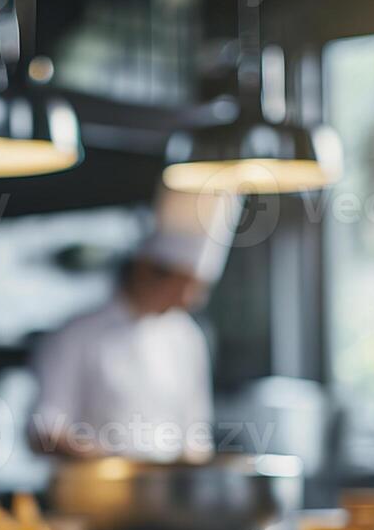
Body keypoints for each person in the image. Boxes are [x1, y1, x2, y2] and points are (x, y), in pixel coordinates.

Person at [29, 195, 238, 462]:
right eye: (184, 284)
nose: (190, 299)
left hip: (170, 498)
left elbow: (195, 435)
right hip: (92, 496)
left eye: (199, 288)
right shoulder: (75, 335)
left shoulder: (188, 338)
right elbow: (44, 428)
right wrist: (108, 465)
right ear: (146, 270)